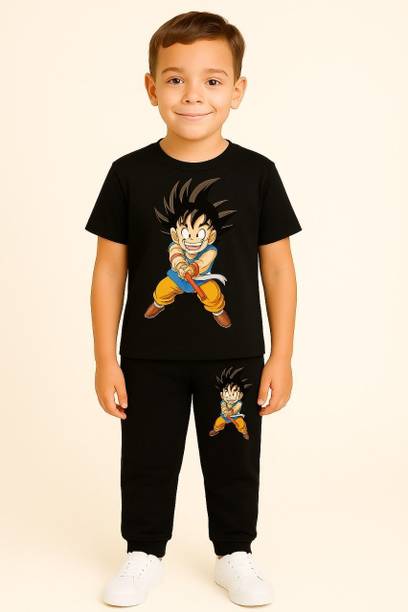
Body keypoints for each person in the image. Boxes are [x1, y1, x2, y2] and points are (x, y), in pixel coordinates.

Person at [85, 10, 302, 608]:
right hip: (147, 357)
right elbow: (109, 270)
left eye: (212, 80)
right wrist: (105, 358)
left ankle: (235, 553)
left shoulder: (257, 173)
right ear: (151, 87)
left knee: (233, 458)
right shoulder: (128, 173)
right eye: (175, 79)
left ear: (238, 90)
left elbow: (278, 269)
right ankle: (142, 552)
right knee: (147, 458)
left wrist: (281, 355)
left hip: (235, 355)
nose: (192, 95)